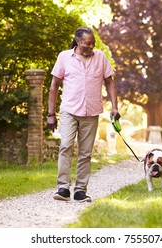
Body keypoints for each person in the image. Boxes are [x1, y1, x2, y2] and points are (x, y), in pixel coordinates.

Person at [47, 26, 120, 202]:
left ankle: (80, 190)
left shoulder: (100, 57)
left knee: (85, 153)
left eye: (93, 43)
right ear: (78, 41)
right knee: (65, 145)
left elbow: (109, 83)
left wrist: (115, 107)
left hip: (91, 111)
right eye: (88, 43)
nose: (91, 46)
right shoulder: (64, 57)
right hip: (69, 111)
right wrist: (50, 113)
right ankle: (63, 188)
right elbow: (54, 86)